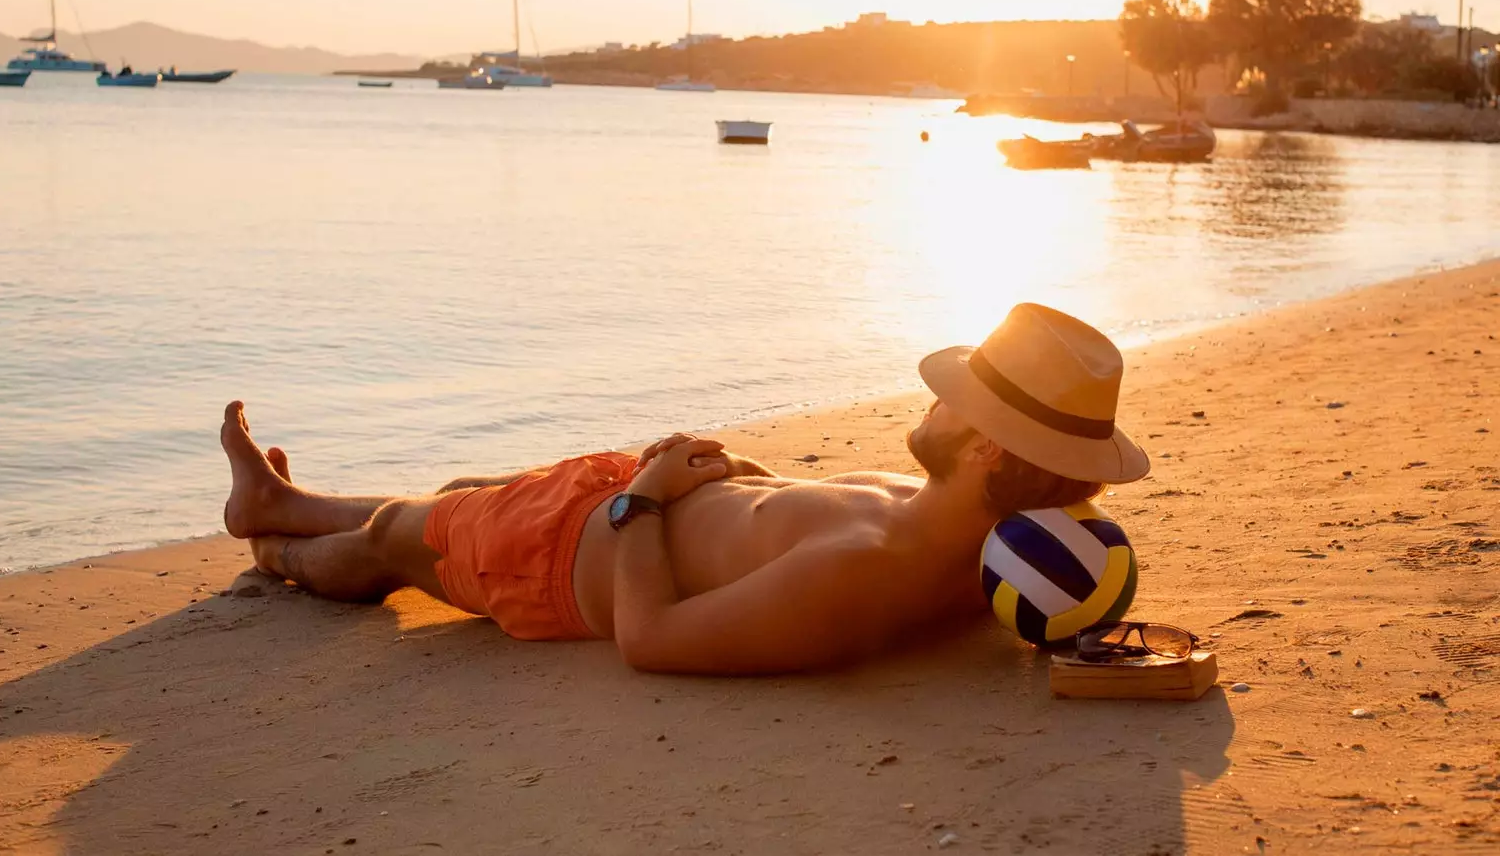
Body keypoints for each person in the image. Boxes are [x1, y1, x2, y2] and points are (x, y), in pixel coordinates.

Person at [221, 304, 1149, 674]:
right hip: (631, 505)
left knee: (395, 536)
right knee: (458, 487)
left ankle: (278, 545)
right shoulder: (964, 533)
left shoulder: (869, 568)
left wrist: (646, 503)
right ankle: (282, 508)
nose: (933, 401)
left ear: (988, 449)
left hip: (568, 554)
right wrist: (739, 480)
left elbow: (651, 640)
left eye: (955, 401)